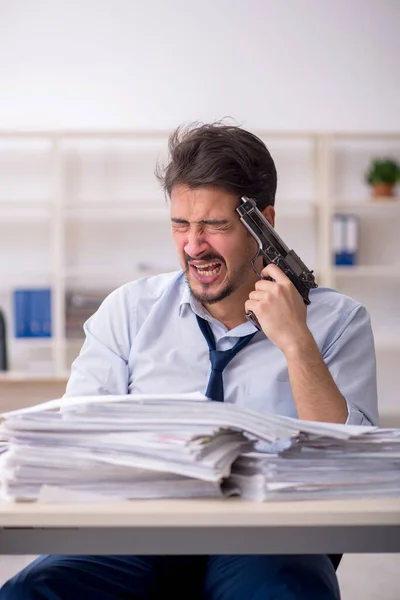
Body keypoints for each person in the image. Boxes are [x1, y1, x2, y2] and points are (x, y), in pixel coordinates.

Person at [0, 122, 378, 600]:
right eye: (181, 225)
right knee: (33, 591)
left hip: (269, 536)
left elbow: (354, 470)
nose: (193, 246)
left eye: (214, 226)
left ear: (264, 221)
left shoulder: (338, 321)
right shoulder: (130, 311)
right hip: (135, 529)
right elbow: (79, 436)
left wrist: (297, 342)